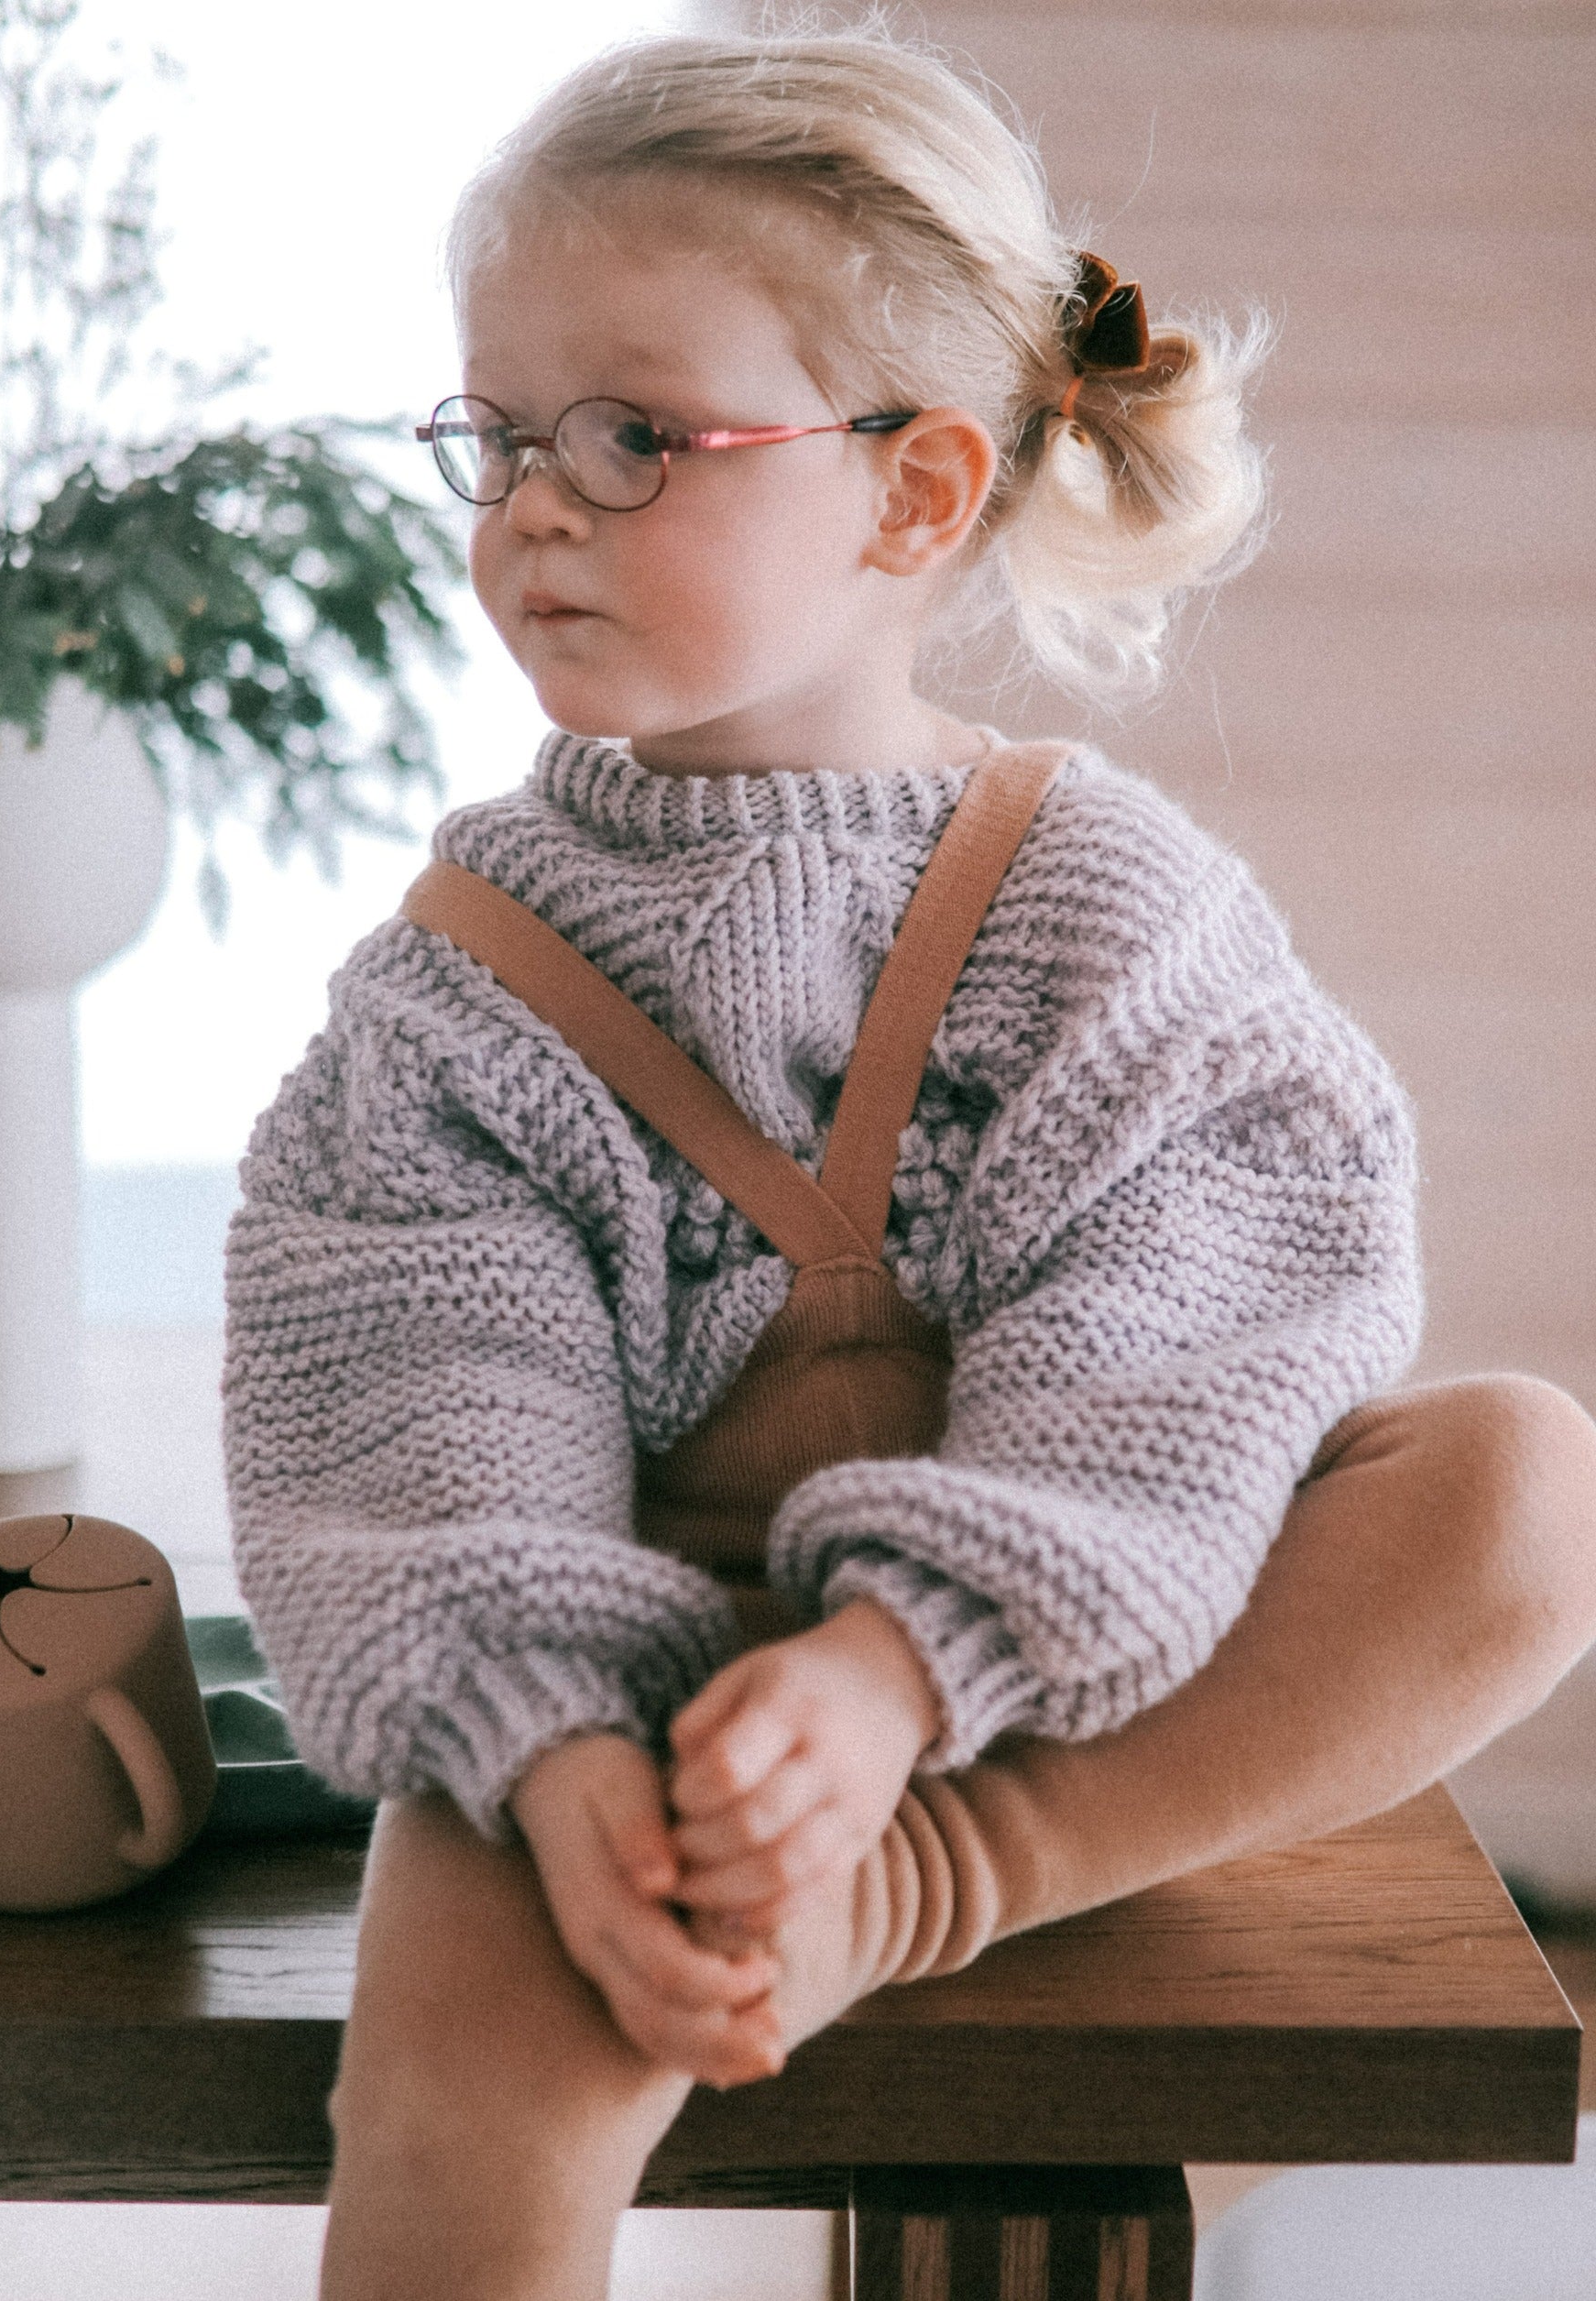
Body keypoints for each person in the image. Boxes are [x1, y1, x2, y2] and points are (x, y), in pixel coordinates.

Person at [219, 29, 1596, 2300]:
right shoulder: (455, 984)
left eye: (636, 437)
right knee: (453, 2102)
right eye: (496, 434)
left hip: (1040, 1683)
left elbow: (1190, 1334)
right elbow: (414, 1402)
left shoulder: (1108, 908)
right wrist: (560, 1761)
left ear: (910, 494)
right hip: (620, 1699)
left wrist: (895, 1678)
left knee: (1522, 1485)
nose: (531, 503)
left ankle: (940, 1877)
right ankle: (660, 1898)